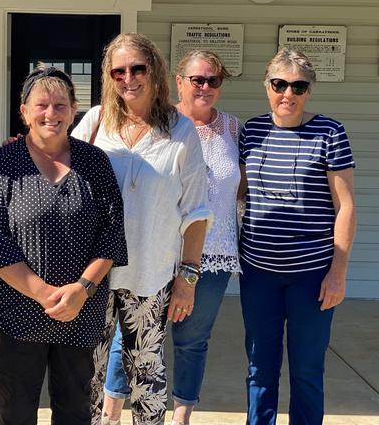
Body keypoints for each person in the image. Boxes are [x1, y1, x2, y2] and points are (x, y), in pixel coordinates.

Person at [0, 66, 128, 425]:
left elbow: (111, 233)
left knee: (75, 410)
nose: (51, 114)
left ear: (74, 110)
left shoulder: (94, 163)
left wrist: (81, 289)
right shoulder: (3, 164)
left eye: (61, 105)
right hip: (17, 314)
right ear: (24, 110)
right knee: (15, 411)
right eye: (41, 105)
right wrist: (44, 293)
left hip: (80, 311)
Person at [72, 33, 212, 425]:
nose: (128, 77)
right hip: (94, 275)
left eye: (137, 68)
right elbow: (62, 179)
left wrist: (187, 278)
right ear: (108, 76)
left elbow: (196, 212)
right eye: (119, 71)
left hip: (151, 275)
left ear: (155, 70)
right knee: (87, 374)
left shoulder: (181, 132)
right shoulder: (95, 123)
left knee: (147, 378)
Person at [239, 48, 356, 424]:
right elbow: (235, 192)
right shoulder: (251, 131)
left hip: (313, 276)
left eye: (298, 86)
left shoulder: (330, 133)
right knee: (260, 366)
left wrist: (337, 272)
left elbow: (346, 206)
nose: (287, 93)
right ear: (267, 86)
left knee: (307, 369)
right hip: (258, 273)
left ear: (309, 91)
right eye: (279, 84)